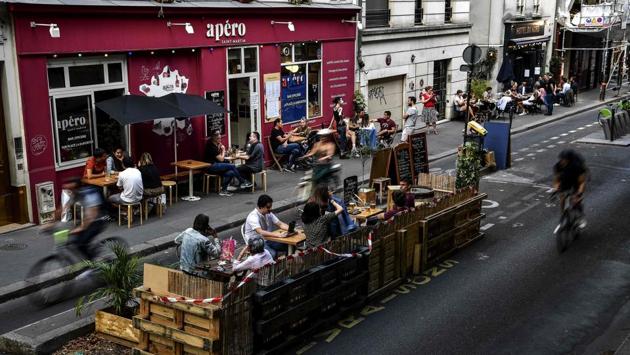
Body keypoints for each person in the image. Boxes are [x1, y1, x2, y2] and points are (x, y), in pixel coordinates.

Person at [61, 177, 109, 259]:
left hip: (99, 220)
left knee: (80, 243)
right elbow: (63, 209)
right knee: (74, 241)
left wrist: (76, 230)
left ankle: (92, 265)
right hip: (87, 220)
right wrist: (50, 223)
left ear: (76, 188)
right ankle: (88, 257)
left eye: (70, 189)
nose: (69, 192)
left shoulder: (90, 194)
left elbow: (90, 218)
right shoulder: (75, 194)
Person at [205, 130, 252, 196]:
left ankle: (223, 190)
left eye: (220, 137)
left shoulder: (217, 144)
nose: (220, 139)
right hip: (211, 166)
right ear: (213, 137)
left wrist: (222, 151)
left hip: (217, 165)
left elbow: (220, 157)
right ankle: (242, 181)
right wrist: (223, 150)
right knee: (232, 166)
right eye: (218, 138)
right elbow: (221, 159)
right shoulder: (211, 146)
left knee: (231, 172)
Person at [552, 149, 588, 229]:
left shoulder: (577, 166)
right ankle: (564, 214)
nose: (562, 161)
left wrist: (579, 194)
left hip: (577, 182)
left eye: (564, 160)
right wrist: (555, 189)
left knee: (576, 200)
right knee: (562, 198)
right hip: (565, 181)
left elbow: (581, 183)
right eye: (561, 159)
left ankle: (580, 217)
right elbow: (557, 179)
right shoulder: (558, 166)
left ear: (569, 160)